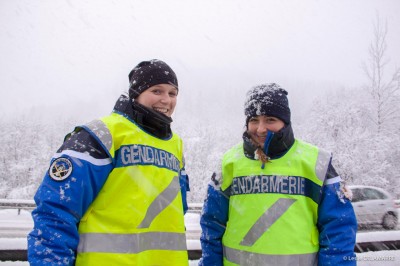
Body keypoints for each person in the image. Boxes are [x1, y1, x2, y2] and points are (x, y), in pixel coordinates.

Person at [27, 59, 190, 265]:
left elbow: (175, 212)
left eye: (172, 93)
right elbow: (55, 212)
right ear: (136, 93)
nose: (166, 100)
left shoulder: (175, 146)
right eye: (156, 91)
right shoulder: (102, 135)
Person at [199, 83, 357, 266]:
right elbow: (212, 225)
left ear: (285, 121)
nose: (260, 129)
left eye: (270, 119)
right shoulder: (228, 164)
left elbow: (339, 228)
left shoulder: (317, 163)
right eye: (254, 120)